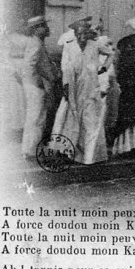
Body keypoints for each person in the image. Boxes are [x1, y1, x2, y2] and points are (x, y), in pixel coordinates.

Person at [52, 20, 112, 165]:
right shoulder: (69, 47)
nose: (82, 37)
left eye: (85, 33)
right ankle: (69, 153)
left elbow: (111, 54)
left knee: (90, 121)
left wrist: (104, 68)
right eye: (79, 34)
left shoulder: (95, 45)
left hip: (91, 88)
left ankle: (90, 156)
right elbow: (65, 67)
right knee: (71, 119)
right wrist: (65, 86)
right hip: (73, 88)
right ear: (75, 34)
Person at [20, 16, 56, 159]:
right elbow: (29, 66)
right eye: (42, 25)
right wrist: (37, 82)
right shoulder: (36, 43)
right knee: (36, 117)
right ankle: (30, 149)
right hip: (36, 85)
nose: (46, 28)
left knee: (37, 116)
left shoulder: (37, 42)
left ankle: (31, 148)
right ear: (35, 29)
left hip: (36, 84)